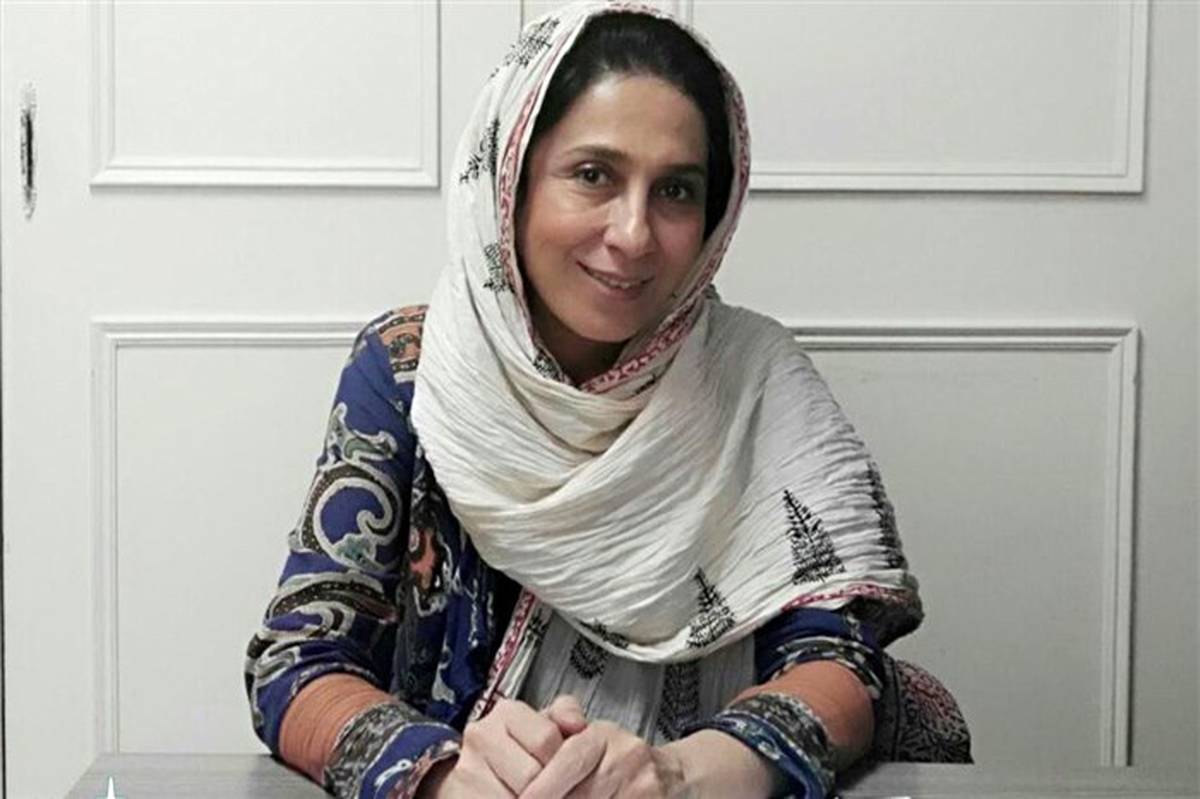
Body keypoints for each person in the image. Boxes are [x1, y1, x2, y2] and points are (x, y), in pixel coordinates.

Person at [244, 4, 970, 798]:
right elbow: (300, 662)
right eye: (593, 175)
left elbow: (842, 664)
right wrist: (446, 772)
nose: (633, 234)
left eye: (676, 190)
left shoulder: (758, 383)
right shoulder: (408, 371)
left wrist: (678, 772)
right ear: (510, 181)